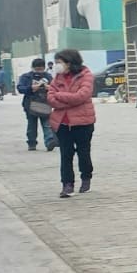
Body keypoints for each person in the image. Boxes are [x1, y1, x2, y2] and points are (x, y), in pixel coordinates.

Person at [47, 49, 96, 198]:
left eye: (59, 62)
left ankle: (86, 177)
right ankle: (67, 184)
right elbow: (50, 97)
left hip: (83, 122)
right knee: (66, 154)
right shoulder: (57, 78)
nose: (57, 66)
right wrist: (69, 100)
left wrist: (61, 96)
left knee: (83, 152)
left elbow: (82, 96)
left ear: (69, 62)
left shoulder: (85, 75)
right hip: (62, 123)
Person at [18, 58, 57, 152]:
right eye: (37, 69)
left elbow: (56, 88)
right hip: (30, 104)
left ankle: (49, 142)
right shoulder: (26, 77)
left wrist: (49, 88)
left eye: (41, 69)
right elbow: (20, 88)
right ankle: (32, 143)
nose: (39, 71)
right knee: (32, 125)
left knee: (47, 124)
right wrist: (30, 88)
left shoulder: (48, 76)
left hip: (44, 103)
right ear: (32, 68)